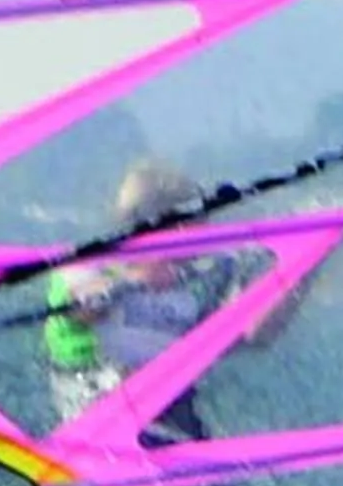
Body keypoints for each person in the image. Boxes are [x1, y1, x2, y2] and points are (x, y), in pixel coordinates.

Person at [42, 158, 240, 446]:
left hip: (172, 420)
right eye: (196, 226)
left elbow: (251, 336)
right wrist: (136, 278)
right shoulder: (86, 266)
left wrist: (297, 272)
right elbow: (79, 308)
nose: (202, 240)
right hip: (103, 420)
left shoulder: (184, 292)